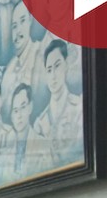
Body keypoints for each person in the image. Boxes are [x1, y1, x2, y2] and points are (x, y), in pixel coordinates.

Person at [32, 38, 84, 168]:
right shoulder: (39, 124)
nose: (53, 75)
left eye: (57, 66)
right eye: (49, 70)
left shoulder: (79, 108)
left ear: (66, 65)